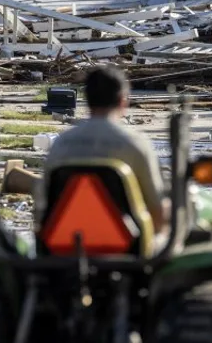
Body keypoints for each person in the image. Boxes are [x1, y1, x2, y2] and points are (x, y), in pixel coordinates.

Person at [41, 66, 169, 236]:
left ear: (87, 101)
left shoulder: (61, 143)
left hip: (66, 245)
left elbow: (42, 207)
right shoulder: (135, 143)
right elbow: (157, 210)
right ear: (123, 101)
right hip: (126, 249)